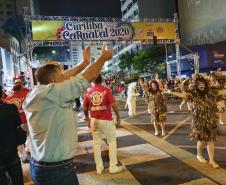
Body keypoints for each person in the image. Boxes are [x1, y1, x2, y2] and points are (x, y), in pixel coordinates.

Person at [22, 45, 113, 185]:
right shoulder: (52, 93)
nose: (64, 76)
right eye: (61, 74)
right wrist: (103, 58)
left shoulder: (36, 93)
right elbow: (87, 77)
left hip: (42, 166)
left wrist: (83, 64)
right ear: (54, 81)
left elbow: (64, 77)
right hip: (56, 171)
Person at [168, 75, 226, 168]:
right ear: (195, 85)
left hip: (210, 119)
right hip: (199, 120)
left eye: (202, 83)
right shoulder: (193, 94)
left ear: (205, 83)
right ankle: (199, 155)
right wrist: (170, 91)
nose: (201, 85)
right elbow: (183, 95)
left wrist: (220, 79)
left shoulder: (210, 92)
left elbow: (222, 91)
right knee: (201, 139)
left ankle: (211, 160)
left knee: (210, 139)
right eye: (198, 84)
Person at [83, 75, 122, 174]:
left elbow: (84, 108)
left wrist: (88, 119)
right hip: (106, 120)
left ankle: (99, 168)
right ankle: (112, 167)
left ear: (92, 81)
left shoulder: (88, 92)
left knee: (96, 144)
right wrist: (118, 116)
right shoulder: (106, 90)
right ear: (102, 80)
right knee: (112, 143)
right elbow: (114, 105)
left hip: (94, 121)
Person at [0, 85, 24, 185]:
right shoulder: (10, 108)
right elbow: (18, 125)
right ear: (2, 94)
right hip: (11, 150)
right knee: (17, 180)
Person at [6, 83, 30, 162]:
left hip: (17, 122)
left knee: (19, 140)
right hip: (28, 119)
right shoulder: (26, 94)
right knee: (31, 136)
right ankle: (30, 150)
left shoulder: (8, 98)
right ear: (21, 88)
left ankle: (23, 157)